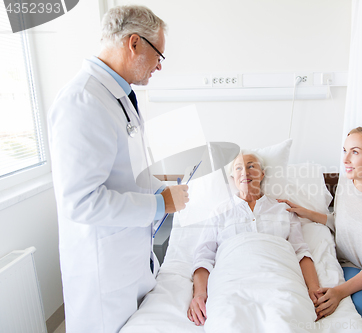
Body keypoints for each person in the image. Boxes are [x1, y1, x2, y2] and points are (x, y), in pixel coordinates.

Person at [47, 5, 189, 333]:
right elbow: (81, 202)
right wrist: (160, 203)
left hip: (128, 259)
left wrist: (160, 190)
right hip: (102, 270)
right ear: (134, 43)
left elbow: (126, 171)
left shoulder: (120, 96)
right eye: (159, 56)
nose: (159, 67)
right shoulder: (81, 101)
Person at [279, 126, 362, 333]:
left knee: (361, 313)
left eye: (355, 152)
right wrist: (306, 212)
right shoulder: (346, 184)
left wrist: (338, 292)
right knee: (359, 307)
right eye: (345, 150)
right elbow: (342, 222)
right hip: (353, 266)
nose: (345, 159)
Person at [187, 152, 321, 326]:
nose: (245, 172)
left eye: (251, 166)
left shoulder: (283, 210)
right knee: (228, 322)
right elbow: (204, 257)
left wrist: (314, 288)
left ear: (262, 173)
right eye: (239, 168)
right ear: (233, 177)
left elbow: (301, 252)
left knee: (287, 320)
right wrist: (199, 294)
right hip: (231, 283)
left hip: (280, 281)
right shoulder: (219, 212)